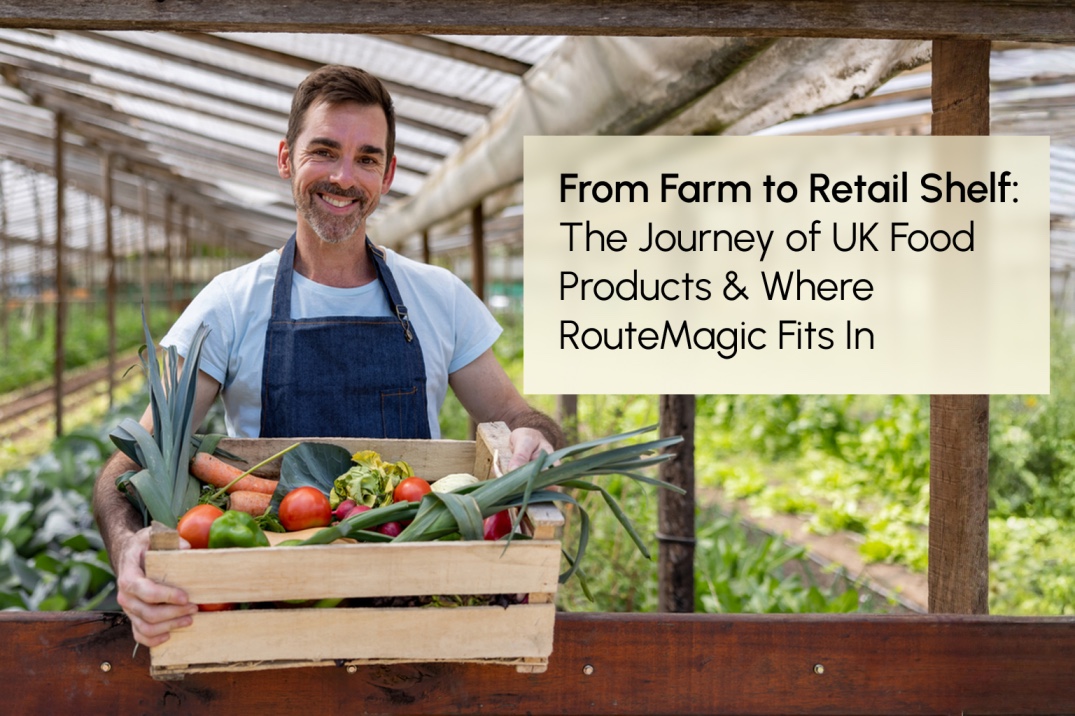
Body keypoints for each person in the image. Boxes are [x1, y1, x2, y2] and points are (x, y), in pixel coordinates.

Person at [93, 65, 563, 647]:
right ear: (287, 158)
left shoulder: (438, 297)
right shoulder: (231, 303)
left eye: (367, 158)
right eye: (325, 152)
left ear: (388, 174)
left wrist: (534, 438)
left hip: (420, 607)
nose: (345, 177)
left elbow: (517, 415)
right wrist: (126, 548)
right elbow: (128, 462)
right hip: (271, 609)